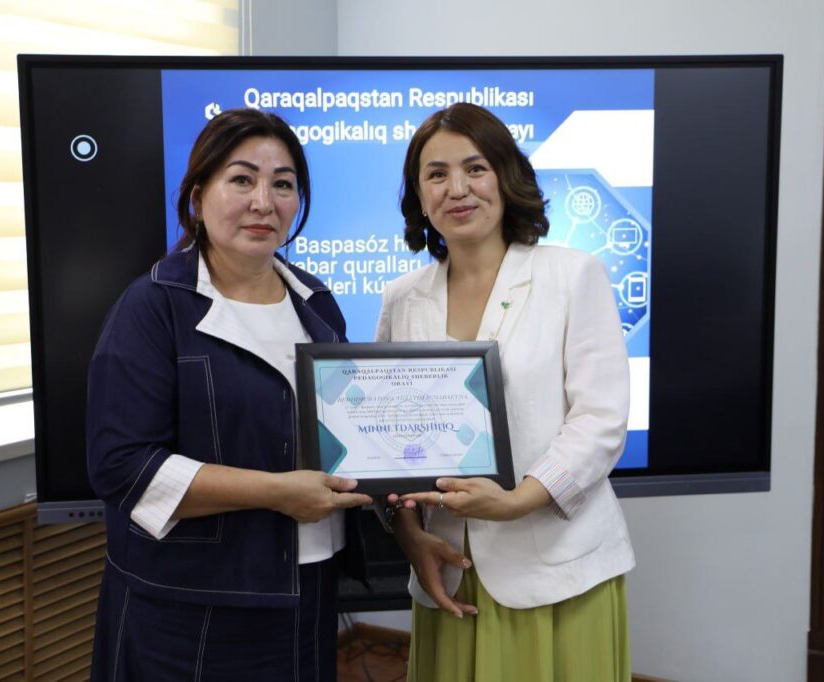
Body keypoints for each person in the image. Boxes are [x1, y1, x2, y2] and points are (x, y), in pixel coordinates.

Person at [86, 108, 372, 681]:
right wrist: (277, 493)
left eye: (283, 184)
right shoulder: (152, 307)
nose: (264, 202)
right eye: (242, 179)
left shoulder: (317, 304)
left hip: (310, 586)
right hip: (189, 608)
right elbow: (121, 465)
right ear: (198, 197)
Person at [376, 103, 634, 681]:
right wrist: (412, 538)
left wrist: (518, 501)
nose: (457, 188)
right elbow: (387, 440)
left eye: (475, 168)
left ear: (505, 177)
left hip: (556, 567)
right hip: (449, 568)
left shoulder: (572, 275)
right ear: (419, 195)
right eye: (436, 174)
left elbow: (600, 420)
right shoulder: (402, 298)